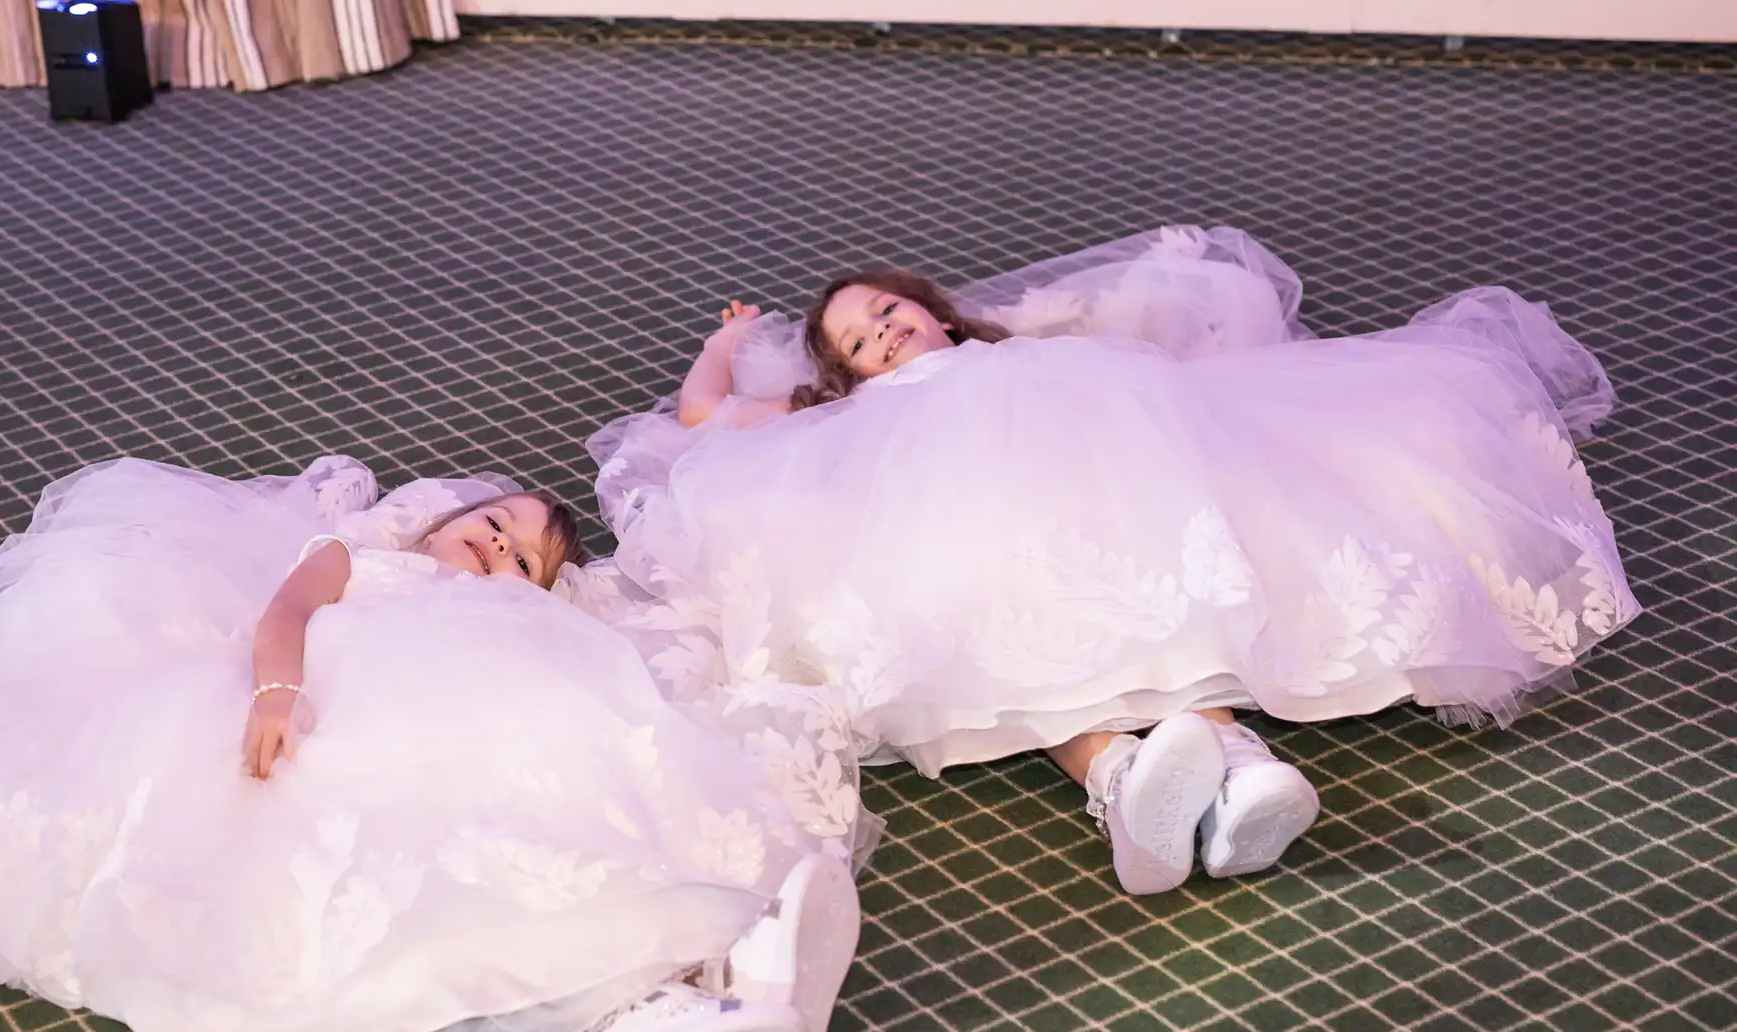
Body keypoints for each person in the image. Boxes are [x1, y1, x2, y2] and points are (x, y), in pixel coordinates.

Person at [589, 226, 1638, 895]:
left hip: (1094, 484)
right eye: (859, 344)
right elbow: (700, 414)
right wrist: (729, 339)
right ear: (847, 378)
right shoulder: (860, 416)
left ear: (930, 306)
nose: (882, 337)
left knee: (1136, 597)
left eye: (885, 311)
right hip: (953, 523)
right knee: (1016, 631)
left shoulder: (1016, 356)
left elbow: (1132, 340)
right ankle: (1139, 775)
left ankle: (1222, 774)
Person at [0, 455, 870, 1032]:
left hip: (468, 724)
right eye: (495, 522)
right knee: (398, 860)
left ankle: (693, 995)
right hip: (335, 709)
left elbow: (571, 696)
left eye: (521, 558)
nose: (499, 546)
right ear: (437, 522)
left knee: (545, 819)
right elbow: (283, 616)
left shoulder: (517, 624)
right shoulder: (357, 560)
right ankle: (664, 997)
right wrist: (277, 693)